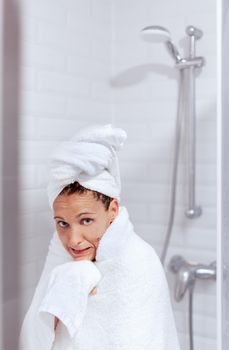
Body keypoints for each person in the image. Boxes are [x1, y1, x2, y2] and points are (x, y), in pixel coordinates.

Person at [19, 123, 180, 350]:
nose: (73, 240)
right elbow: (32, 341)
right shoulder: (60, 256)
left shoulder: (139, 260)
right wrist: (65, 288)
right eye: (63, 223)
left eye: (86, 220)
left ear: (112, 210)